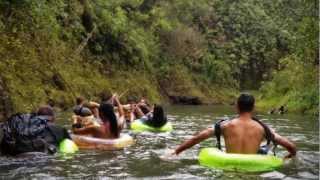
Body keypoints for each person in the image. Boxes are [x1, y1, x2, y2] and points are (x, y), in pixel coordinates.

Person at [173, 93, 296, 159]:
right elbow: (291, 146)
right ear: (253, 108)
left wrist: (176, 152)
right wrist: (288, 157)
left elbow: (197, 138)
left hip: (230, 170)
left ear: (236, 107)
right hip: (253, 171)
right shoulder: (263, 129)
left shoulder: (224, 126)